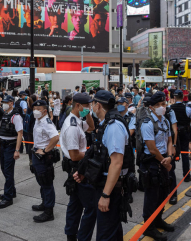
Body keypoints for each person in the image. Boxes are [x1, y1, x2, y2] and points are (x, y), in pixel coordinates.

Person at [75, 90, 131, 240]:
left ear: (98, 105)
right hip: (103, 183)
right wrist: (83, 171)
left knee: (105, 233)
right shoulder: (105, 123)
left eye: (93, 104)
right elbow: (99, 154)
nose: (91, 107)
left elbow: (116, 163)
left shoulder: (113, 126)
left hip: (110, 187)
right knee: (111, 230)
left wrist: (105, 195)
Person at [60, 93, 95, 241]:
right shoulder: (72, 126)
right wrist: (91, 156)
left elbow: (91, 127)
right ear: (78, 106)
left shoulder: (77, 120)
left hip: (77, 167)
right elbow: (74, 155)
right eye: (87, 106)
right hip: (77, 168)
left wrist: (88, 114)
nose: (89, 108)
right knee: (91, 207)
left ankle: (71, 235)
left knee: (75, 204)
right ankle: (82, 237)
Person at [140, 92, 175, 240]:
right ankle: (149, 227)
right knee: (152, 196)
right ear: (151, 107)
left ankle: (158, 219)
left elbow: (169, 140)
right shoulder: (147, 123)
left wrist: (170, 157)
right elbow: (152, 148)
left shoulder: (165, 121)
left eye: (164, 104)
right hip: (152, 163)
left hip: (164, 160)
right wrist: (165, 162)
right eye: (159, 105)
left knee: (162, 193)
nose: (162, 107)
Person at [31, 100, 59, 222]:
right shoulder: (38, 120)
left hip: (43, 157)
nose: (35, 111)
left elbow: (55, 137)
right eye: (34, 109)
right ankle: (44, 203)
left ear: (44, 111)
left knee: (46, 183)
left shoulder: (46, 122)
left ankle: (49, 212)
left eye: (38, 109)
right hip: (36, 154)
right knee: (41, 181)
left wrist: (45, 150)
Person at [0, 95, 23, 209]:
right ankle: (11, 191)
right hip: (3, 145)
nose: (3, 104)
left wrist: (17, 150)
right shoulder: (5, 114)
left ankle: (8, 198)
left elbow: (20, 133)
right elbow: (1, 132)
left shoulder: (15, 116)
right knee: (4, 169)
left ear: (11, 103)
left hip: (11, 147)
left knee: (8, 171)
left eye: (6, 102)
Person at [170, 90, 191, 183]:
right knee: (185, 153)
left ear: (174, 98)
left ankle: (171, 174)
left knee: (172, 152)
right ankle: (186, 175)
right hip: (184, 132)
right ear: (183, 97)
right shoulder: (187, 108)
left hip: (174, 132)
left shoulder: (170, 108)